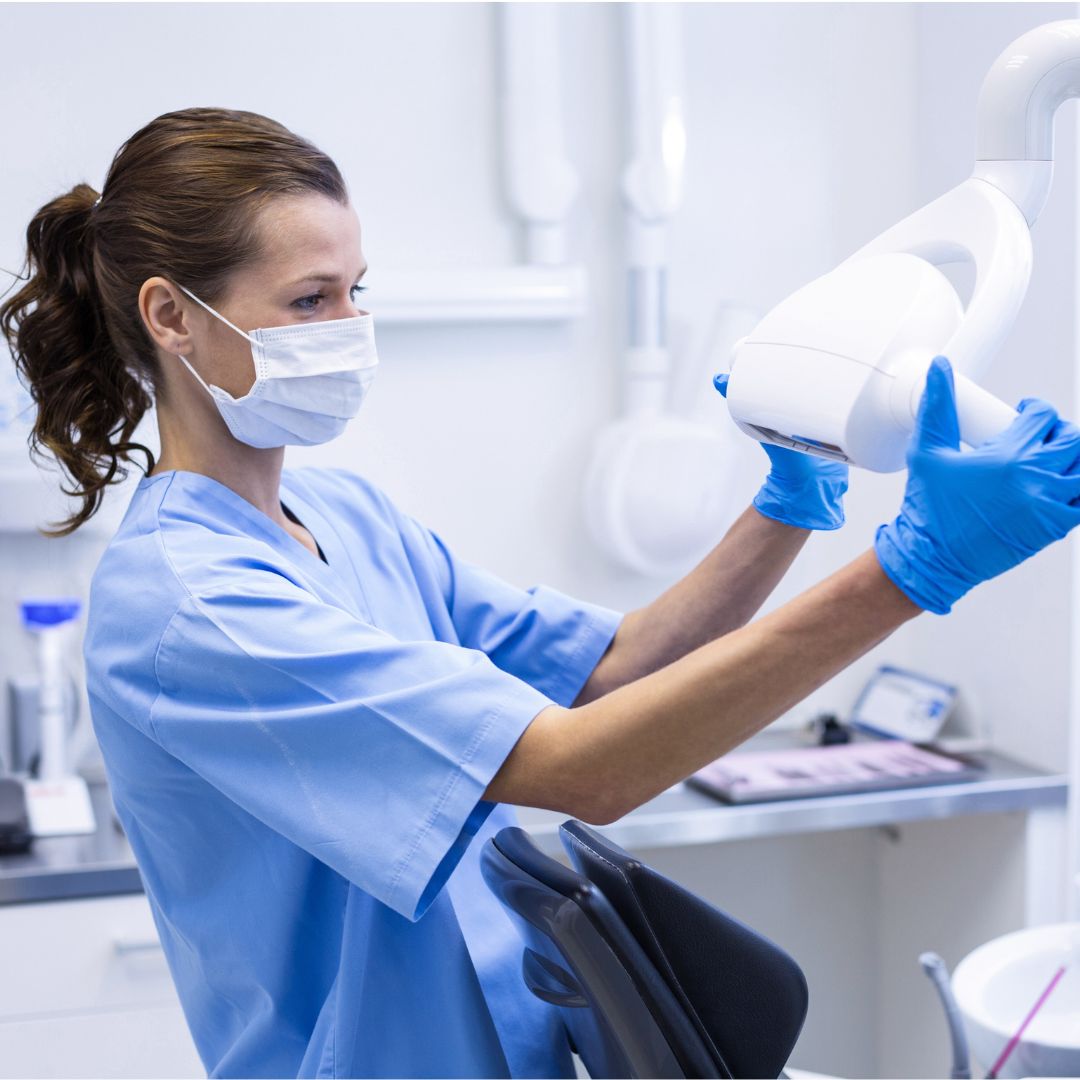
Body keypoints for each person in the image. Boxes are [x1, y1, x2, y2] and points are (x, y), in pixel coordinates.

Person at [3, 107, 1079, 1080]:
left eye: (355, 291)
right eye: (308, 300)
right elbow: (583, 767)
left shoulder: (347, 518)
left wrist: (790, 501)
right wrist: (914, 569)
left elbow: (611, 665)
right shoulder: (189, 603)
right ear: (172, 316)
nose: (349, 326)